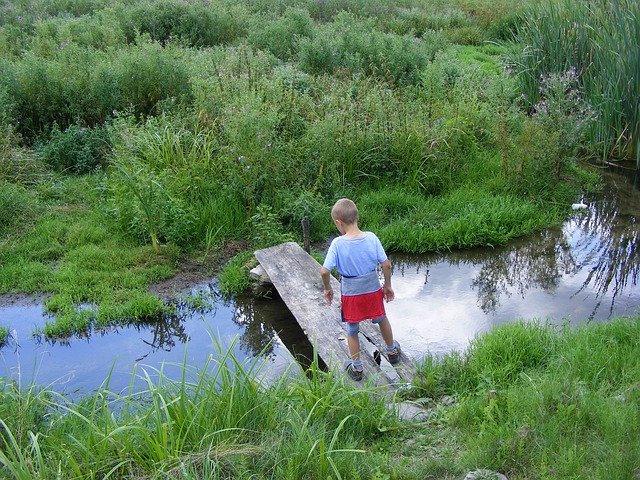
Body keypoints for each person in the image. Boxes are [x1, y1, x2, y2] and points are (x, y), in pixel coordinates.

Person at [320, 198, 400, 381]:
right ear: (357, 217)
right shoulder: (371, 237)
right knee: (382, 318)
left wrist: (327, 289)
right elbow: (386, 265)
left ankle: (356, 368)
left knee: (352, 329)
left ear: (338, 223)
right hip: (372, 290)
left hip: (351, 294)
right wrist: (387, 286)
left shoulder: (338, 244)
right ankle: (392, 351)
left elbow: (324, 271)